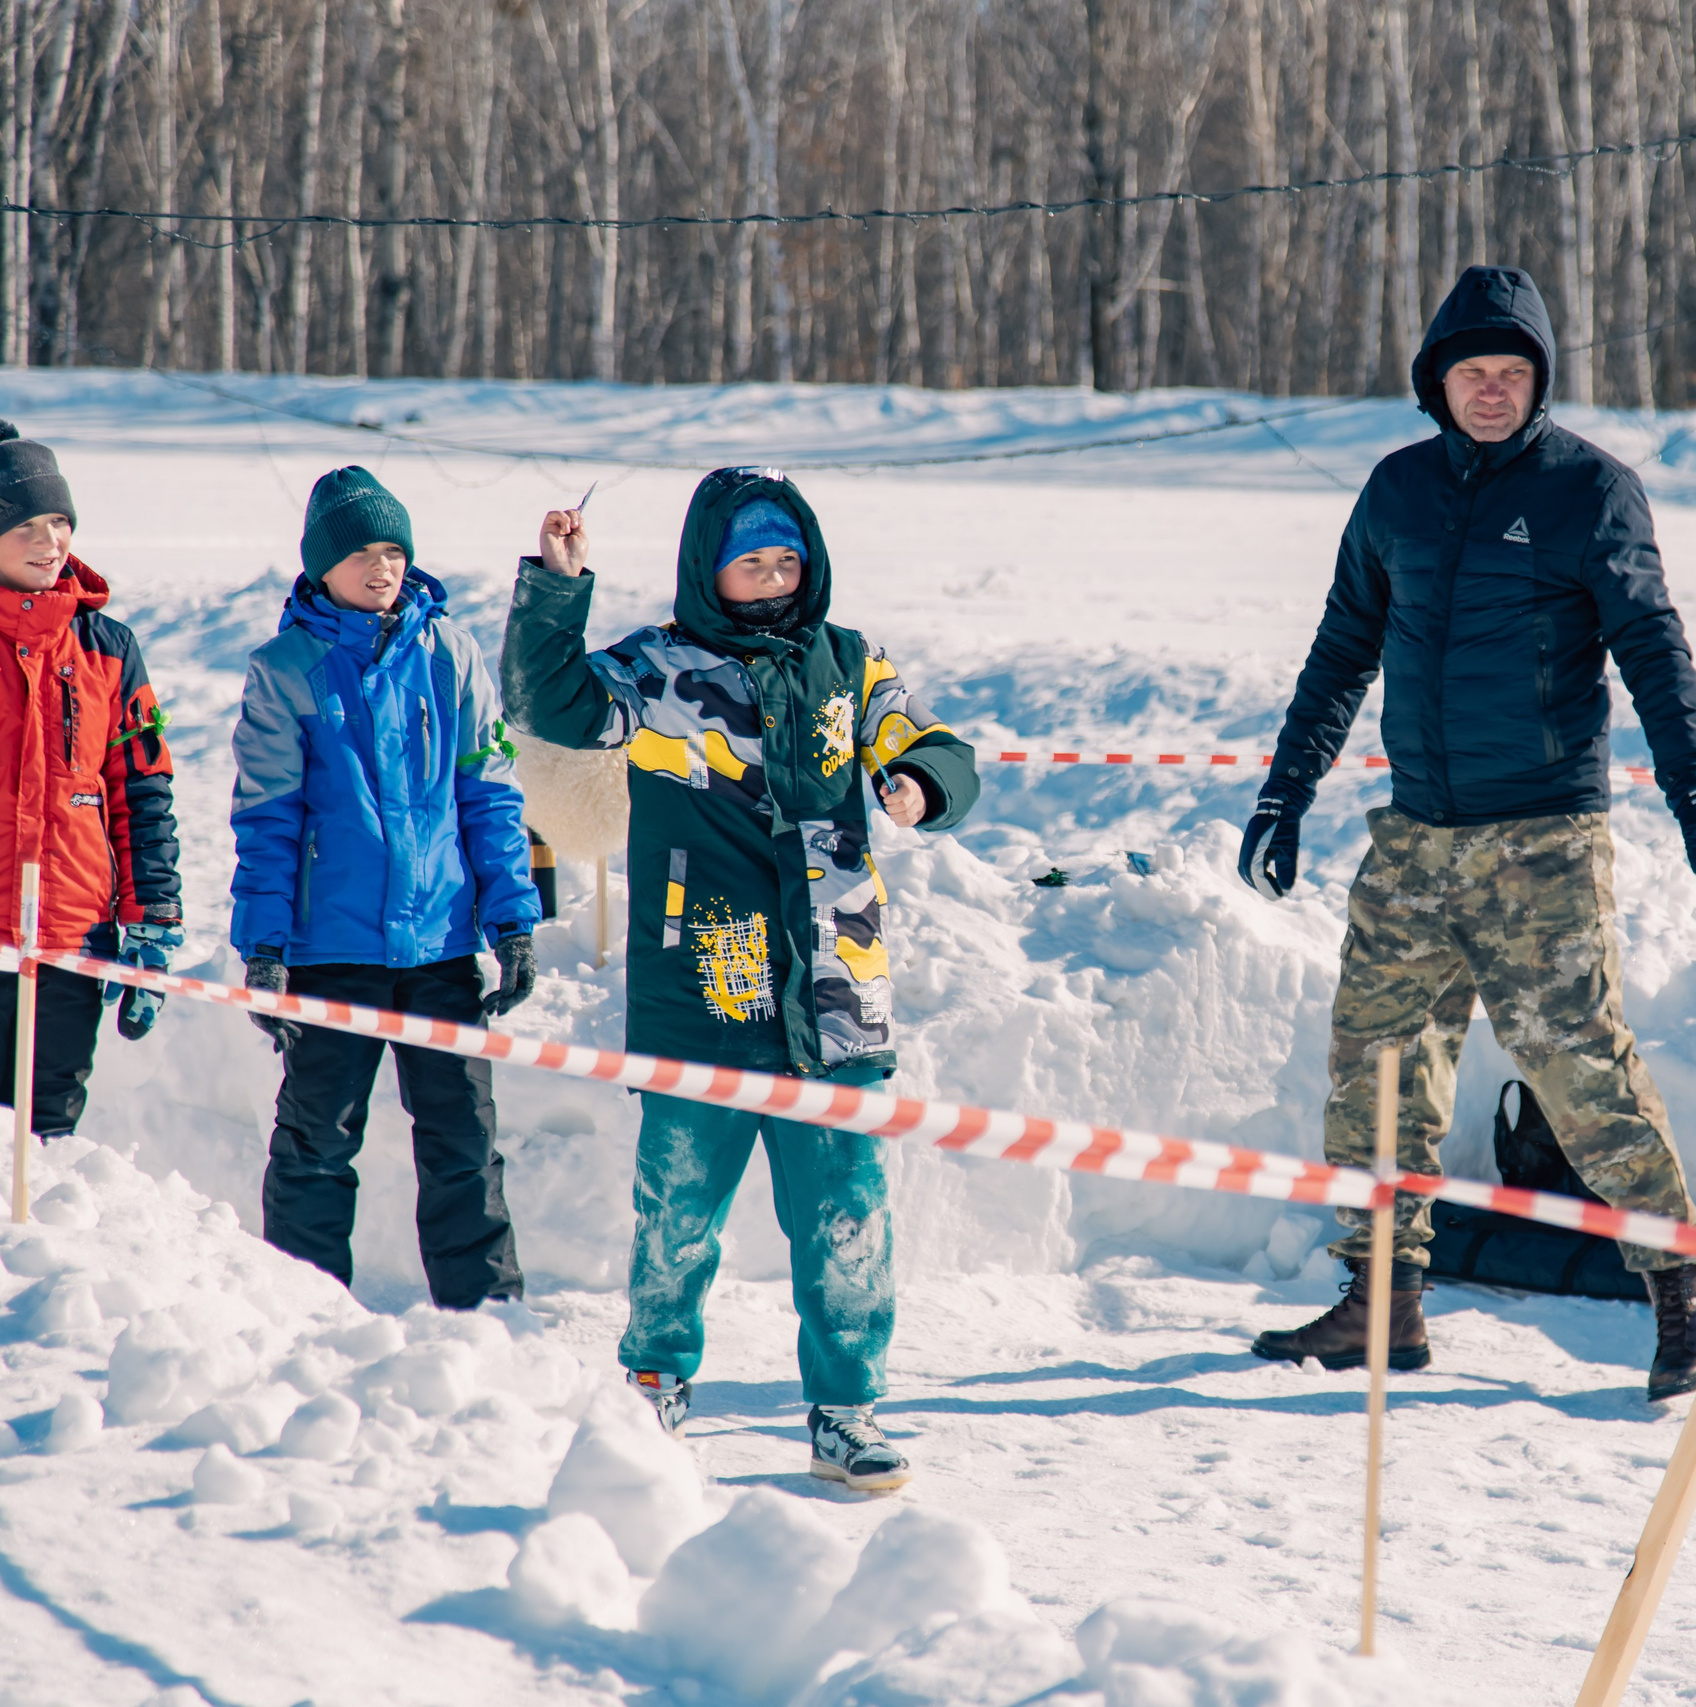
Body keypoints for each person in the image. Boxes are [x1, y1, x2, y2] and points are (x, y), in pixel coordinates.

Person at [1238, 266, 1696, 1402]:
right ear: (1436, 380)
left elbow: (1652, 646)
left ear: (1539, 384)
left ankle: (1680, 1296)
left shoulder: (1590, 492)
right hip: (1416, 835)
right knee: (1375, 1075)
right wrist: (1286, 792)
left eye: (1513, 373)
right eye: (1473, 372)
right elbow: (1340, 651)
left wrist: (1692, 786)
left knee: (1580, 1071)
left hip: (1544, 841)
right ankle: (1383, 1301)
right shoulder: (1396, 492)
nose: (1492, 391)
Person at [503, 467, 980, 1492]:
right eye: (750, 560)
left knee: (847, 1213)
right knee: (677, 1209)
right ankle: (655, 1384)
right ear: (707, 569)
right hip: (703, 985)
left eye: (786, 559)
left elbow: (933, 740)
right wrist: (555, 589)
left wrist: (922, 781)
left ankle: (845, 1409)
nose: (771, 577)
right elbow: (552, 702)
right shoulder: (658, 669)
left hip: (835, 997)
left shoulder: (848, 666)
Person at [230, 466, 542, 1310]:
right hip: (330, 952)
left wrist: (512, 919)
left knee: (464, 1142)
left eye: (395, 549)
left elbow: (491, 795)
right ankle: (302, 1314)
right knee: (315, 1144)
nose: (383, 567)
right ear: (322, 566)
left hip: (441, 946)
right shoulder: (286, 668)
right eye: (362, 552)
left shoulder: (453, 654)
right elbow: (266, 819)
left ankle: (488, 1317)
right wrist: (263, 947)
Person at [0, 423, 183, 1136]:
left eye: (61, 523)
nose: (52, 542)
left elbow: (144, 795)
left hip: (71, 936)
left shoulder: (109, 648)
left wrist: (154, 918)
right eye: (27, 527)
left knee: (45, 1137)